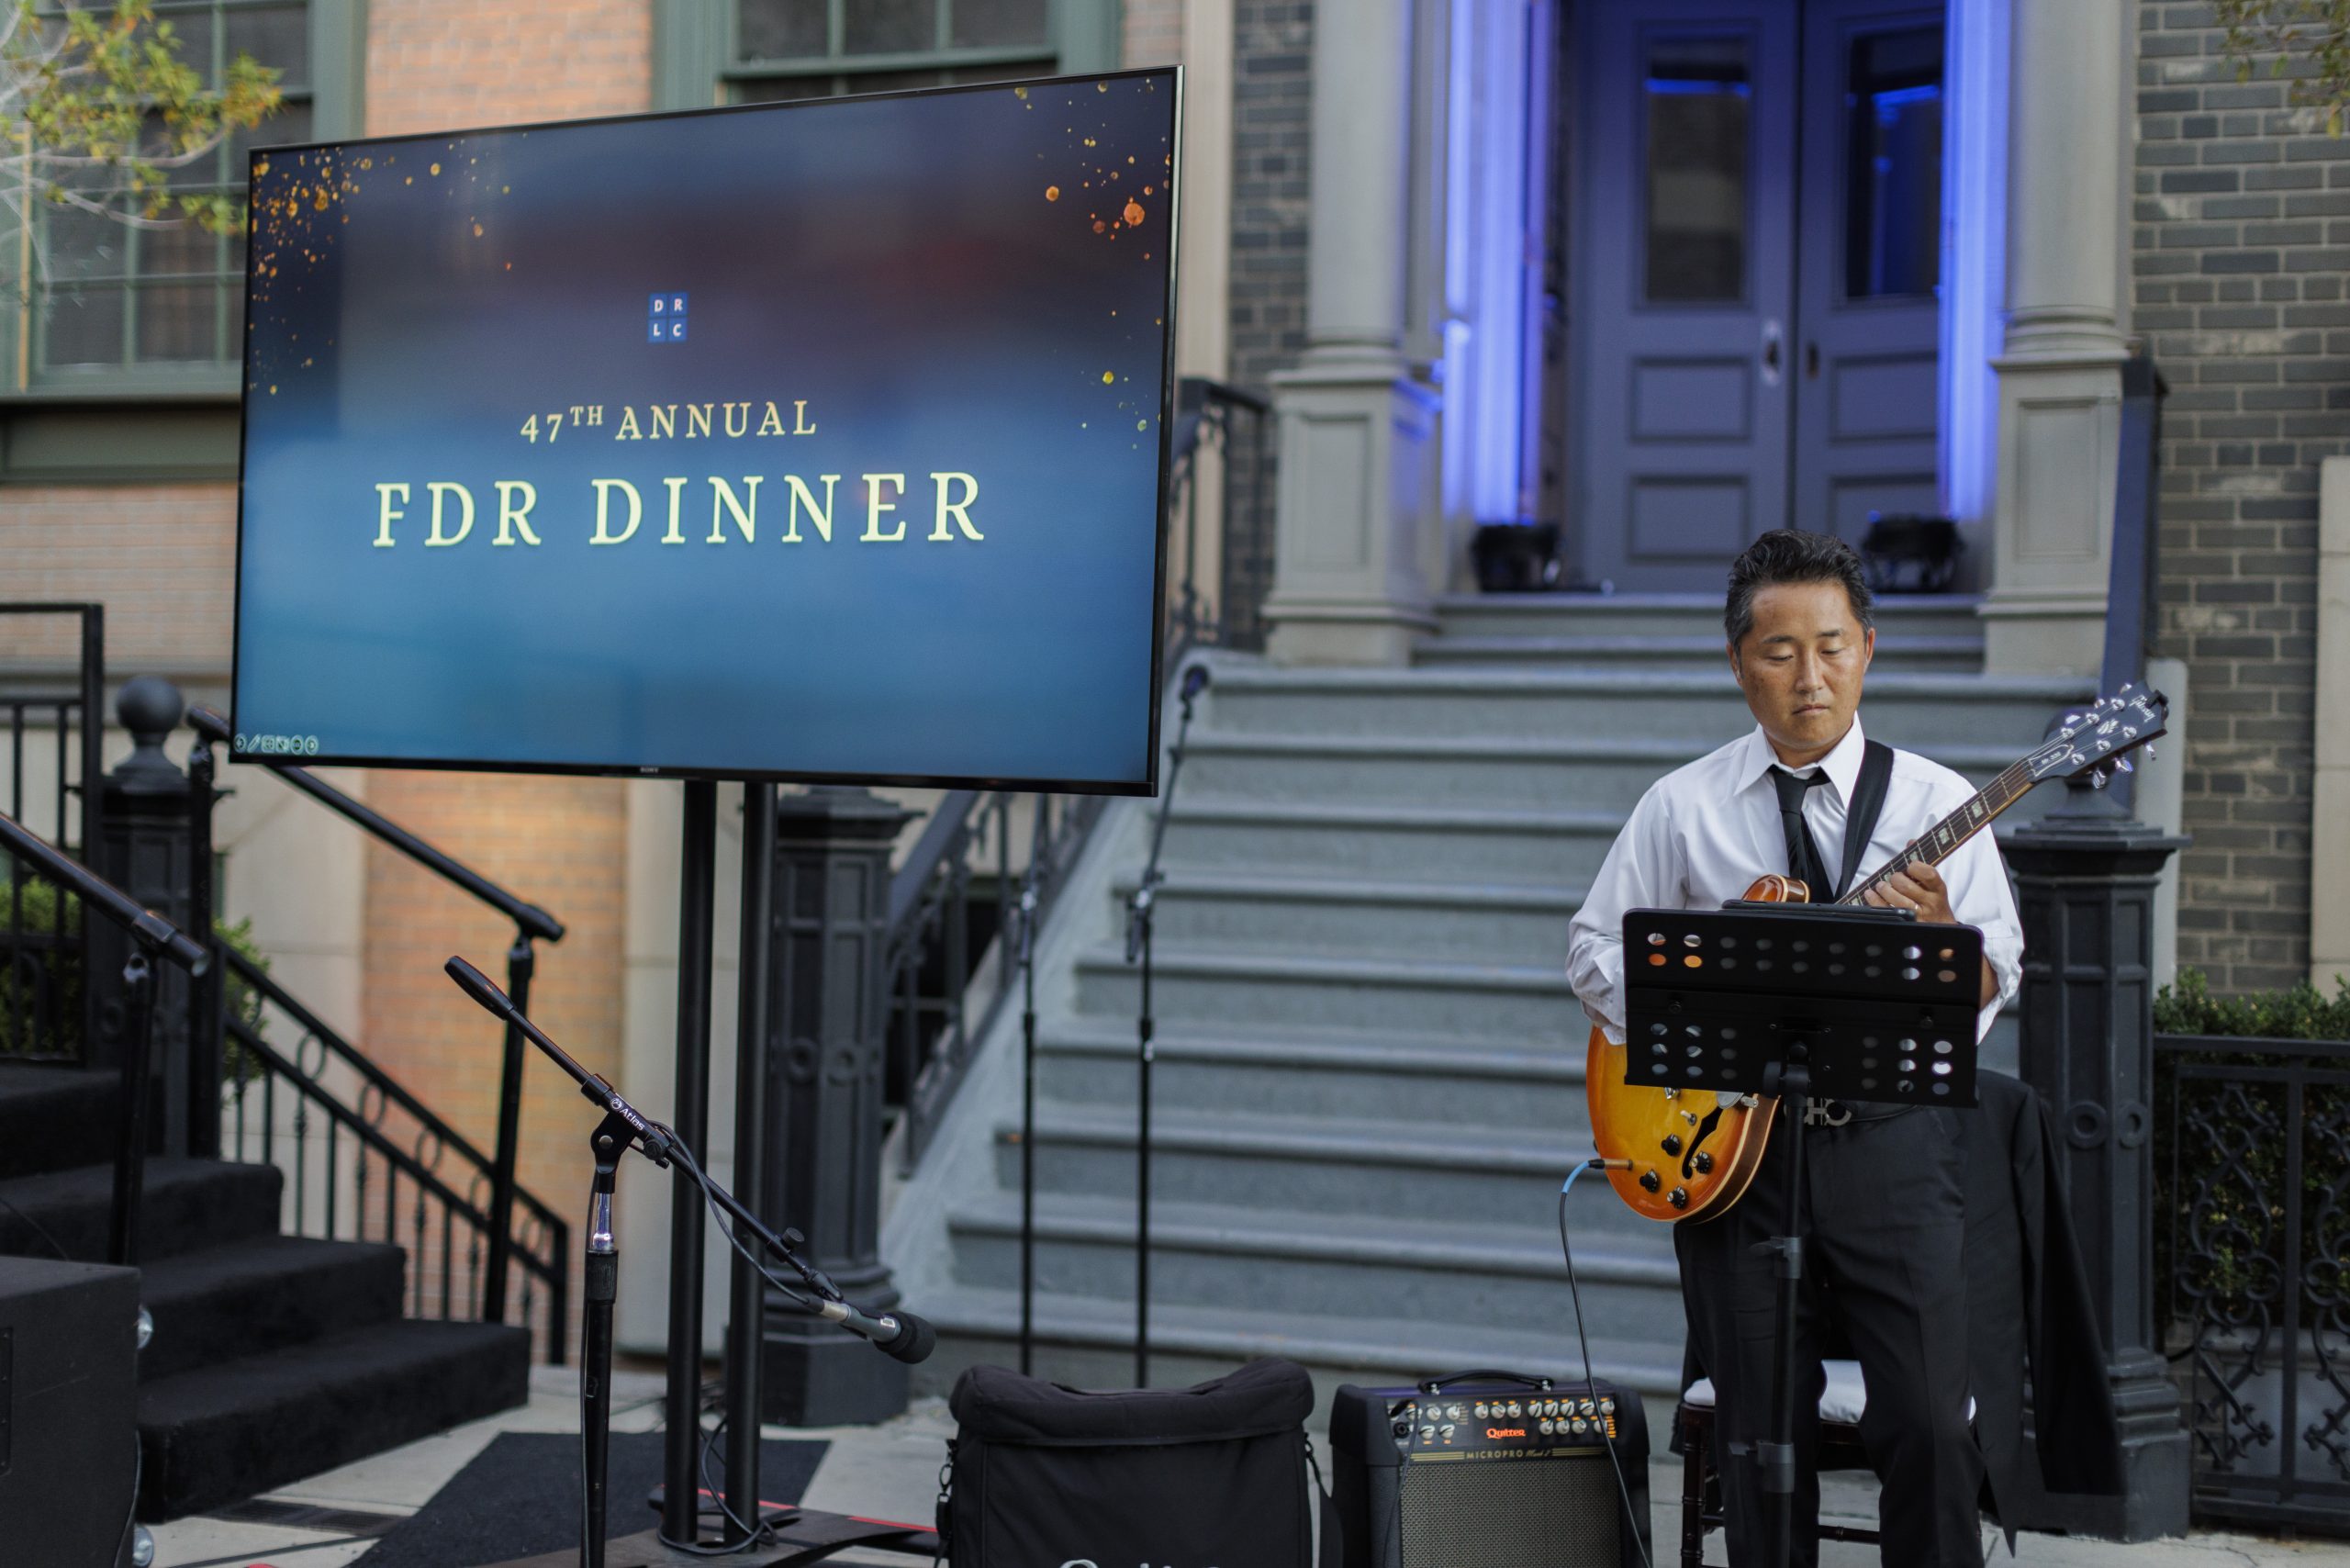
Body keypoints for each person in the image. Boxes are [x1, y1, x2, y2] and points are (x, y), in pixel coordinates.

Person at [1564, 528, 2022, 1567]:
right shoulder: (1679, 805)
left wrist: (1946, 944)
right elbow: (1591, 951)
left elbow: (2000, 973)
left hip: (1893, 1151)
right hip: (1737, 1164)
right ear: (1738, 664)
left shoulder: (1938, 803)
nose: (1808, 678)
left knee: (1929, 1426)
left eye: (1831, 646)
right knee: (1758, 1440)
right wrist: (1701, 992)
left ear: (1867, 647)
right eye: (1778, 652)